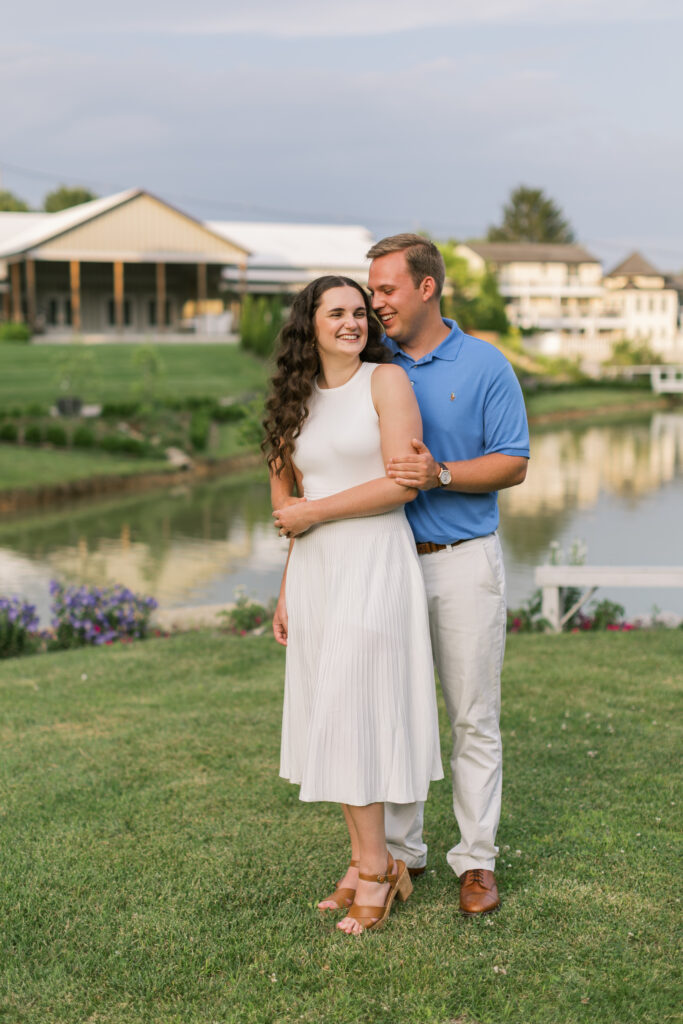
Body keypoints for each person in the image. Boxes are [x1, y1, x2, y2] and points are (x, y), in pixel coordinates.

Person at [273, 236, 529, 916]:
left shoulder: (483, 365)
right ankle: (398, 852)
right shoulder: (372, 366)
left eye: (383, 291)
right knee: (390, 708)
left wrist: (440, 473)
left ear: (425, 288)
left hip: (458, 560)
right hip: (377, 567)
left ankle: (475, 860)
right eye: (366, 293)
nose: (374, 304)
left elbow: (513, 463)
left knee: (471, 716)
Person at [264, 275, 443, 935]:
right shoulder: (294, 401)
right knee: (331, 713)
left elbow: (399, 484)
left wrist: (316, 511)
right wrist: (286, 588)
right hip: (317, 572)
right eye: (336, 312)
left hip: (373, 561)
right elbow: (287, 512)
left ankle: (375, 868)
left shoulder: (385, 383)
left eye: (359, 311)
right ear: (307, 326)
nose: (352, 321)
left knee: (353, 709)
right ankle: (369, 860)